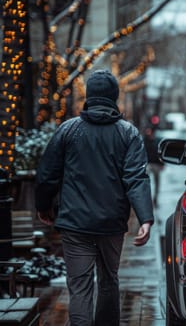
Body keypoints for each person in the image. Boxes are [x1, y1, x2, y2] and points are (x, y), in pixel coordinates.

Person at [35, 69, 154, 326]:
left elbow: (47, 174)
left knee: (79, 286)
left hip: (74, 223)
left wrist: (43, 207)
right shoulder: (128, 133)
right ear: (115, 97)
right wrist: (145, 218)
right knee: (109, 280)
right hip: (110, 224)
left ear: (89, 96)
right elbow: (136, 177)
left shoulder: (69, 130)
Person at [144, 128, 164, 208]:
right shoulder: (144, 141)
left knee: (157, 183)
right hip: (148, 164)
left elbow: (160, 153)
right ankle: (148, 199)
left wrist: (162, 164)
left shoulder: (157, 141)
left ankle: (155, 198)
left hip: (156, 165)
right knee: (146, 182)